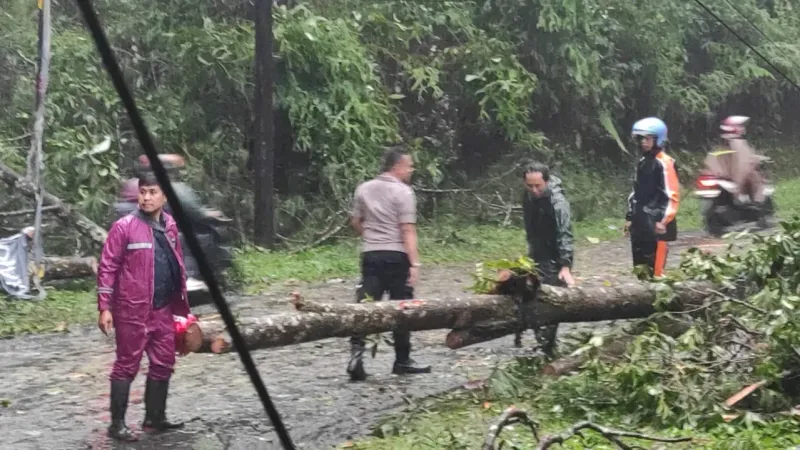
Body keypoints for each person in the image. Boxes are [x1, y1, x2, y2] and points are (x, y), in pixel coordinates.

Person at [97, 172, 191, 441]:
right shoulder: (124, 227)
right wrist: (105, 307)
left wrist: (182, 306)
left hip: (162, 309)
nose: (147, 197)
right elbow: (107, 267)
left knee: (164, 362)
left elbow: (176, 266)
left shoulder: (170, 225)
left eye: (153, 192)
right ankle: (117, 425)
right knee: (126, 365)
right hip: (131, 310)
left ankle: (155, 419)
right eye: (143, 192)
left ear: (164, 196)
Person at [346, 147, 431, 382]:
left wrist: (372, 237)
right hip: (397, 255)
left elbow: (356, 221)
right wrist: (414, 263)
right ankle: (402, 360)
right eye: (409, 166)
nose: (411, 170)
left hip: (371, 254)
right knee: (402, 307)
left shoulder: (363, 188)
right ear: (397, 166)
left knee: (365, 305)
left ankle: (356, 355)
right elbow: (408, 229)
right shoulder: (403, 192)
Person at [520, 162, 575, 357]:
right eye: (530, 185)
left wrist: (565, 265)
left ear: (547, 181)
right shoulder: (527, 196)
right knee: (531, 295)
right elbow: (530, 228)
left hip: (555, 256)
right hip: (536, 254)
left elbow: (565, 233)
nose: (534, 190)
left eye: (538, 186)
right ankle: (543, 343)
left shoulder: (557, 201)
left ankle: (547, 346)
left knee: (551, 301)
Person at [624, 117, 680, 279]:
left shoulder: (665, 162)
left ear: (658, 139)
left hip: (657, 222)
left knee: (656, 271)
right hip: (640, 220)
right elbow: (636, 192)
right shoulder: (643, 162)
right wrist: (630, 217)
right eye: (642, 138)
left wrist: (663, 220)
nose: (644, 142)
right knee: (640, 267)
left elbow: (672, 195)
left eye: (648, 138)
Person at [704, 115, 766, 205]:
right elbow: (744, 166)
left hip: (721, 180)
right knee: (756, 179)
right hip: (735, 185)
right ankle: (757, 203)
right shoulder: (739, 144)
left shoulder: (720, 144)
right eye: (740, 126)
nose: (742, 129)